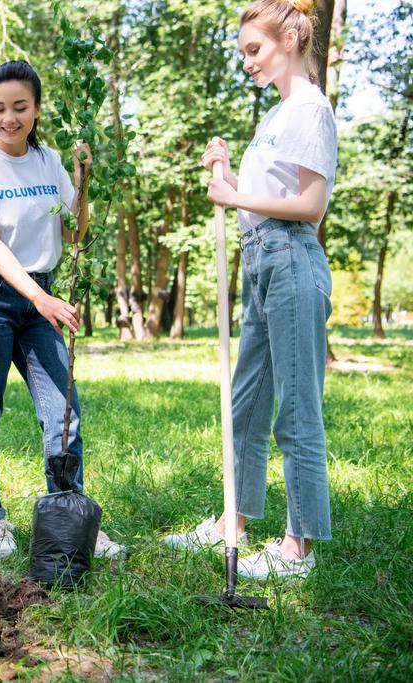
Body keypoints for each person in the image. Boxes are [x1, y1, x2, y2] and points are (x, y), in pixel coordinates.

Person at [163, 0, 336, 580]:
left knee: (295, 409)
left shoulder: (310, 108)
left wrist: (236, 197)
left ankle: (297, 549)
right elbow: (263, 202)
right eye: (243, 55)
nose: (248, 64)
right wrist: (230, 172)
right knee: (247, 404)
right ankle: (231, 523)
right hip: (262, 259)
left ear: (289, 39)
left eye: (254, 50)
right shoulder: (277, 115)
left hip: (291, 260)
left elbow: (309, 207)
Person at [0, 60, 126, 560]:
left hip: (42, 298)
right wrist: (39, 296)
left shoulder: (50, 161)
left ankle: (67, 513)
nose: (9, 118)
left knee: (64, 411)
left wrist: (82, 181)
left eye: (20, 108)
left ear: (36, 110)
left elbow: (74, 231)